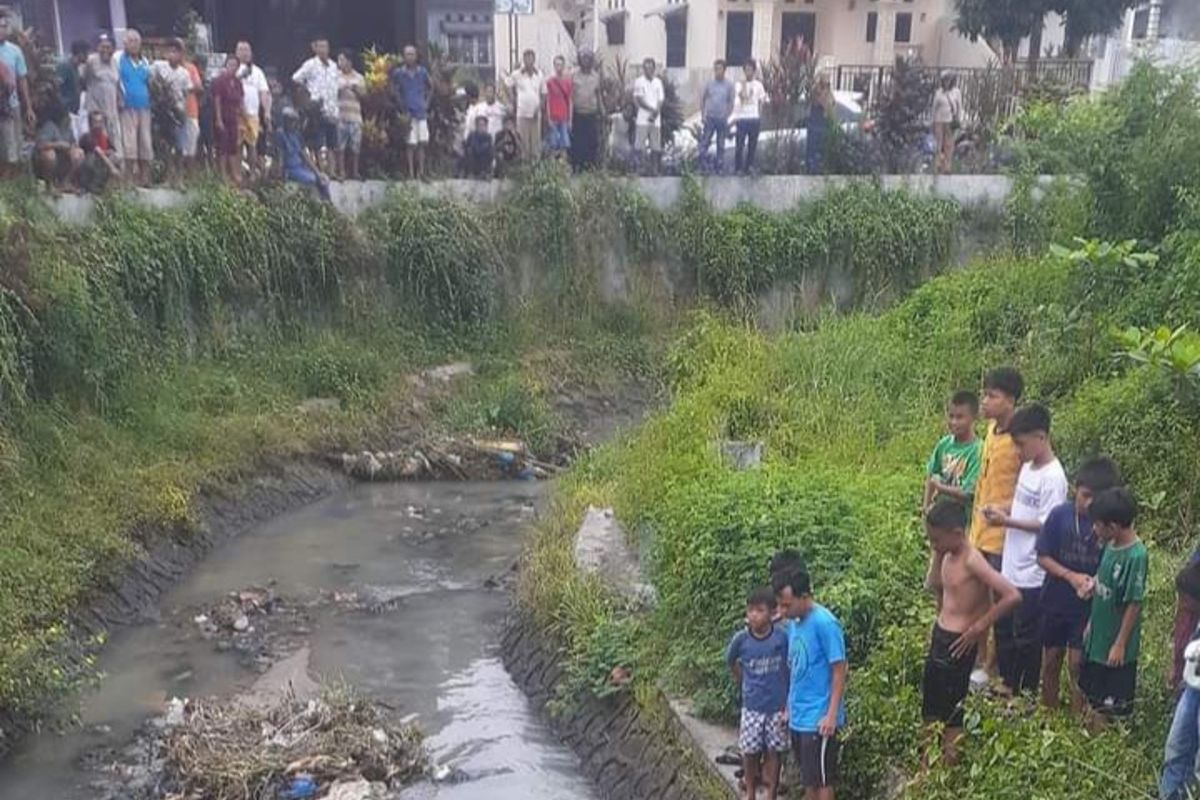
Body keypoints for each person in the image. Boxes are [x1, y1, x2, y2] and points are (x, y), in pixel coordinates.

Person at [923, 499, 1020, 766]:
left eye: (937, 540)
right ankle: (927, 770)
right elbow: (936, 586)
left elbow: (1011, 595)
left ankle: (949, 769)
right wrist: (937, 553)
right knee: (930, 709)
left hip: (959, 642)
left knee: (952, 714)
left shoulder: (973, 560)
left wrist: (978, 628)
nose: (934, 545)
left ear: (956, 533)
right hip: (941, 636)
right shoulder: (947, 554)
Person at [981, 403, 1067, 696]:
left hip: (1032, 569)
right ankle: (1008, 682)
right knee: (1005, 626)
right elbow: (1022, 507)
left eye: (1021, 443)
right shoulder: (1029, 469)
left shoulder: (1053, 478)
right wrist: (1002, 510)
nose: (1018, 451)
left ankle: (1026, 692)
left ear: (1040, 437)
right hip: (1011, 563)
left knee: (1027, 635)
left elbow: (1047, 524)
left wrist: (1008, 521)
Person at [1036, 457, 1122, 711]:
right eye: (1084, 495)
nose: (1089, 503)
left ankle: (1078, 725)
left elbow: (1114, 563)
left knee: (1077, 666)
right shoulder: (1059, 515)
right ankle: (1047, 716)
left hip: (1087, 608)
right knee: (1050, 660)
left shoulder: (1109, 527)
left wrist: (1094, 582)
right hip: (1055, 601)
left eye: (1095, 498)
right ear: (1075, 489)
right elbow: (1042, 556)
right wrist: (1070, 576)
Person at [967, 366, 1023, 686]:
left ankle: (995, 668)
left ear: (1011, 400)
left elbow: (1030, 493)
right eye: (985, 394)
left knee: (1001, 604)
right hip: (979, 532)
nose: (985, 402)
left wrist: (1005, 510)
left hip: (1005, 536)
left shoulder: (1021, 438)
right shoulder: (990, 431)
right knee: (978, 599)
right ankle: (979, 661)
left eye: (993, 396)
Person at [773, 568, 846, 800]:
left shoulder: (825, 624)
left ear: (804, 597)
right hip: (799, 716)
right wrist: (789, 708)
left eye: (787, 605)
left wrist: (831, 715)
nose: (783, 611)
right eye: (780, 606)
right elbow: (796, 670)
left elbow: (839, 670)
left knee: (822, 781)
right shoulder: (795, 622)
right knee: (809, 780)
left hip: (819, 718)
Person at [1080, 486, 1147, 727]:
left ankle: (1101, 743)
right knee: (1091, 695)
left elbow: (1134, 602)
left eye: (1098, 525)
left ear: (1114, 526)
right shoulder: (1110, 545)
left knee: (1109, 707)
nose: (1094, 529)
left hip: (1115, 646)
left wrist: (1120, 643)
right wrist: (1092, 586)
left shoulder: (1136, 556)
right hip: (1097, 638)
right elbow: (1104, 577)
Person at [726, 586, 789, 800]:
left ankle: (771, 792)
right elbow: (731, 661)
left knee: (774, 751)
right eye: (750, 610)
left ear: (772, 614)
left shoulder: (781, 639)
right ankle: (751, 792)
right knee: (750, 751)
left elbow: (789, 665)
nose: (754, 615)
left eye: (760, 610)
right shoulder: (741, 640)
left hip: (776, 706)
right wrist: (743, 680)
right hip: (752, 706)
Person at [1161, 564, 1200, 800]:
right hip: (1193, 687)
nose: (1182, 604)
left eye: (1186, 599)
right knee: (1177, 747)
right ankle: (1170, 795)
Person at [923, 390, 982, 513]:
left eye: (960, 417)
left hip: (963, 519)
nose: (954, 422)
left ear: (974, 417)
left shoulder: (978, 450)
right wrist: (926, 508)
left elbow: (968, 493)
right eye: (951, 416)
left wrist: (940, 487)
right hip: (940, 515)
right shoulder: (944, 444)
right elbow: (931, 475)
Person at [292, 36, 340, 171]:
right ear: (315, 48)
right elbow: (296, 78)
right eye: (321, 46)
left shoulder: (333, 65)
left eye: (326, 46)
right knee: (318, 142)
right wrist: (307, 98)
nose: (324, 49)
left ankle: (332, 171)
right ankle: (320, 170)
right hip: (317, 110)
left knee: (332, 144)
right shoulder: (310, 64)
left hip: (332, 109)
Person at [154, 39, 194, 184]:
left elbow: (186, 92)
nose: (173, 55)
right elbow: (152, 83)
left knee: (179, 147)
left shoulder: (184, 73)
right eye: (170, 51)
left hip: (178, 112)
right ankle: (168, 176)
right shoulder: (158, 67)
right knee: (166, 147)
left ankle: (180, 178)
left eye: (176, 52)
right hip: (163, 112)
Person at [116, 29, 153, 185]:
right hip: (127, 106)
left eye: (137, 41)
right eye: (130, 41)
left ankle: (145, 178)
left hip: (144, 107)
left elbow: (150, 83)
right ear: (124, 43)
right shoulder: (118, 59)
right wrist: (119, 98)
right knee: (129, 142)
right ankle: (129, 179)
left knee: (145, 141)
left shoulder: (145, 62)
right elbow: (115, 81)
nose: (134, 44)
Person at [0, 15, 34, 180]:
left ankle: (12, 188)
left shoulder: (14, 50)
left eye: (4, 27)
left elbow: (22, 79)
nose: (2, 30)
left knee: (14, 149)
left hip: (11, 105)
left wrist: (28, 107)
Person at [390, 45, 431, 180]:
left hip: (421, 111)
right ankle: (411, 173)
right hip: (407, 112)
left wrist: (427, 103)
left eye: (412, 54)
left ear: (416, 56)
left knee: (422, 143)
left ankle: (421, 172)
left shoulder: (422, 72)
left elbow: (431, 87)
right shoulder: (399, 73)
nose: (410, 57)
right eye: (407, 54)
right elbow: (392, 87)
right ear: (403, 56)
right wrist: (399, 101)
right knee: (410, 144)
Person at [277, 107, 331, 202]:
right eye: (290, 120)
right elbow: (279, 155)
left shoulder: (296, 135)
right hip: (290, 170)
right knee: (312, 180)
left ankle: (327, 203)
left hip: (300, 168)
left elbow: (304, 156)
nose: (292, 124)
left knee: (322, 180)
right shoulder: (280, 134)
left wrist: (318, 172)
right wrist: (280, 174)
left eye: (294, 121)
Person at [83, 33, 121, 163]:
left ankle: (114, 173)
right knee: (96, 142)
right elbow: (84, 80)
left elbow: (117, 85)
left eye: (108, 47)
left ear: (113, 49)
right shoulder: (91, 60)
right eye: (102, 47)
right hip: (96, 110)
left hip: (111, 110)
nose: (105, 50)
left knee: (113, 142)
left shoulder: (115, 63)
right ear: (97, 47)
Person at [236, 41, 271, 180]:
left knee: (252, 145)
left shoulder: (257, 71)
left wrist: (267, 111)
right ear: (236, 52)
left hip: (253, 114)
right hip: (236, 115)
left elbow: (264, 92)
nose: (244, 53)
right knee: (238, 145)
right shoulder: (233, 69)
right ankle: (237, 172)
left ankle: (252, 172)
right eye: (241, 50)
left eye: (247, 50)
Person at [33, 101, 83, 192]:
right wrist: (58, 145)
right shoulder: (50, 126)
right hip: (46, 162)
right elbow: (39, 145)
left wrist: (73, 148)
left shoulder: (68, 129)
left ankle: (65, 182)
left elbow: (72, 144)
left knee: (79, 154)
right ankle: (49, 184)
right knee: (49, 155)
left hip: (63, 160)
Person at [211, 54, 245, 186]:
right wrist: (218, 119)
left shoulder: (237, 82)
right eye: (230, 64)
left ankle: (234, 172)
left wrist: (241, 117)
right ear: (226, 65)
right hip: (222, 116)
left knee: (233, 146)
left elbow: (240, 101)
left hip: (233, 117)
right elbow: (217, 100)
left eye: (235, 65)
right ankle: (223, 174)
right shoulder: (219, 80)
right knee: (222, 146)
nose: (232, 67)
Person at [505, 49, 544, 162]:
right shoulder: (517, 74)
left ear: (534, 60)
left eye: (531, 58)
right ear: (524, 60)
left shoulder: (539, 74)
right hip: (522, 113)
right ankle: (523, 165)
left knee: (535, 142)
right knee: (522, 141)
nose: (529, 61)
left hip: (536, 114)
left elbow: (544, 94)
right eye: (526, 58)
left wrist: (540, 107)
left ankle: (535, 166)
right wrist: (512, 99)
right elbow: (507, 84)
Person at [570, 49, 604, 171]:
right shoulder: (573, 74)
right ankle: (577, 167)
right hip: (578, 114)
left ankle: (590, 167)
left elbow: (598, 94)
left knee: (592, 142)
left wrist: (602, 111)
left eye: (588, 58)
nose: (586, 60)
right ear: (580, 60)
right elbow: (571, 95)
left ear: (591, 60)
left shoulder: (596, 76)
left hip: (591, 114)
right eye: (583, 58)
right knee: (578, 143)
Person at [699, 59, 734, 173]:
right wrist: (703, 114)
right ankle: (703, 165)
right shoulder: (709, 83)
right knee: (705, 142)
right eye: (715, 69)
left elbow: (731, 101)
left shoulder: (729, 85)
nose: (717, 71)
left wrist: (727, 115)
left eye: (719, 69)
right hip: (710, 118)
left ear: (724, 70)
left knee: (721, 144)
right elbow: (703, 99)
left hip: (721, 119)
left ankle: (719, 166)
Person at [733, 59, 767, 175]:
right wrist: (743, 85)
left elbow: (762, 101)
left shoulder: (759, 85)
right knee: (739, 145)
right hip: (742, 119)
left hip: (754, 118)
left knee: (752, 146)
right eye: (746, 70)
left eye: (750, 70)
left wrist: (760, 116)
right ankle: (738, 168)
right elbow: (741, 97)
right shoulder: (739, 84)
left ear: (754, 71)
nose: (748, 72)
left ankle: (749, 167)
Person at [335, 50, 365, 180]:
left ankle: (355, 172)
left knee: (355, 146)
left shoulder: (359, 77)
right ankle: (341, 172)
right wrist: (340, 88)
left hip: (355, 116)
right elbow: (330, 92)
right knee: (340, 146)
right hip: (340, 116)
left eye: (342, 60)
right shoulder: (335, 76)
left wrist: (354, 88)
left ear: (349, 61)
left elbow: (364, 95)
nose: (339, 63)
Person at [1172, 559, 1200, 694]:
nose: (1182, 604)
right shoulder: (1185, 618)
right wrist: (1176, 667)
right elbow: (1180, 644)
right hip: (1186, 676)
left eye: (1185, 601)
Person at [633, 58, 665, 176]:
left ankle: (654, 170)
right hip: (643, 118)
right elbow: (639, 100)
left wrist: (657, 111)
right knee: (639, 145)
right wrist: (652, 110)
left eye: (650, 68)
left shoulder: (658, 82)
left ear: (654, 68)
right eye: (646, 68)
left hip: (656, 119)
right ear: (643, 69)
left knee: (655, 146)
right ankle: (639, 169)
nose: (648, 70)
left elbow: (661, 99)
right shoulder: (639, 81)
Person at [931, 73, 962, 175]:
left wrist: (958, 119)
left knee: (948, 145)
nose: (947, 82)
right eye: (945, 80)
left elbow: (958, 108)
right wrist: (933, 121)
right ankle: (938, 165)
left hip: (949, 121)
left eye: (948, 80)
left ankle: (947, 167)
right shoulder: (939, 93)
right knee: (938, 144)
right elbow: (934, 108)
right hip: (939, 121)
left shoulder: (956, 93)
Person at [545, 55, 573, 160]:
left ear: (564, 66)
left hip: (564, 117)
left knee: (564, 144)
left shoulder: (568, 82)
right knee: (553, 144)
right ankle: (553, 169)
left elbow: (570, 101)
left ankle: (563, 167)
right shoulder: (549, 82)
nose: (558, 67)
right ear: (554, 66)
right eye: (556, 64)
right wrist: (548, 117)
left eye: (560, 64)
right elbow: (547, 101)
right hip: (553, 116)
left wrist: (570, 119)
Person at [181, 47, 203, 176]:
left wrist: (186, 87)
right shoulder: (167, 68)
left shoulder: (191, 68)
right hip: (176, 114)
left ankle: (191, 175)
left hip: (191, 111)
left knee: (192, 145)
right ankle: (178, 175)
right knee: (178, 147)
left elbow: (199, 87)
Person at [58, 40, 90, 129]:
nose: (88, 56)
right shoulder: (65, 66)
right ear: (80, 53)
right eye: (86, 53)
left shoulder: (76, 68)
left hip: (74, 111)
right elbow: (57, 86)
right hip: (66, 111)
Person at [806, 76, 832, 175]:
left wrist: (828, 93)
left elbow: (830, 106)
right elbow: (821, 103)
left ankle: (817, 169)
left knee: (820, 154)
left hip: (822, 128)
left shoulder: (827, 96)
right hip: (814, 128)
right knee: (812, 154)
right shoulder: (817, 96)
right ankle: (812, 169)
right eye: (825, 85)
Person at [464, 114, 494, 180]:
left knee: (489, 152)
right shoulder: (472, 135)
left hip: (484, 158)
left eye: (483, 125)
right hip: (474, 158)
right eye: (480, 125)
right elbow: (471, 147)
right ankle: (471, 173)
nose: (482, 127)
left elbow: (491, 150)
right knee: (470, 152)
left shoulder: (488, 137)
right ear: (476, 126)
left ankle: (486, 173)